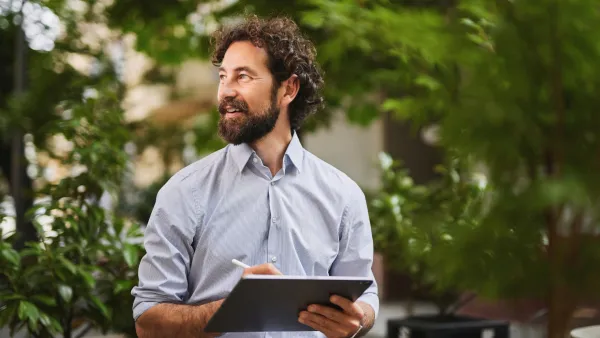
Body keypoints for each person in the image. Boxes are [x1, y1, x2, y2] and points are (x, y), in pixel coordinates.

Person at [131, 14, 379, 338]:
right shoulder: (183, 192)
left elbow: (366, 295)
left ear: (288, 88)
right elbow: (148, 323)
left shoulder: (344, 195)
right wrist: (234, 308)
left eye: (243, 77)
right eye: (223, 77)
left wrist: (358, 319)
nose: (226, 92)